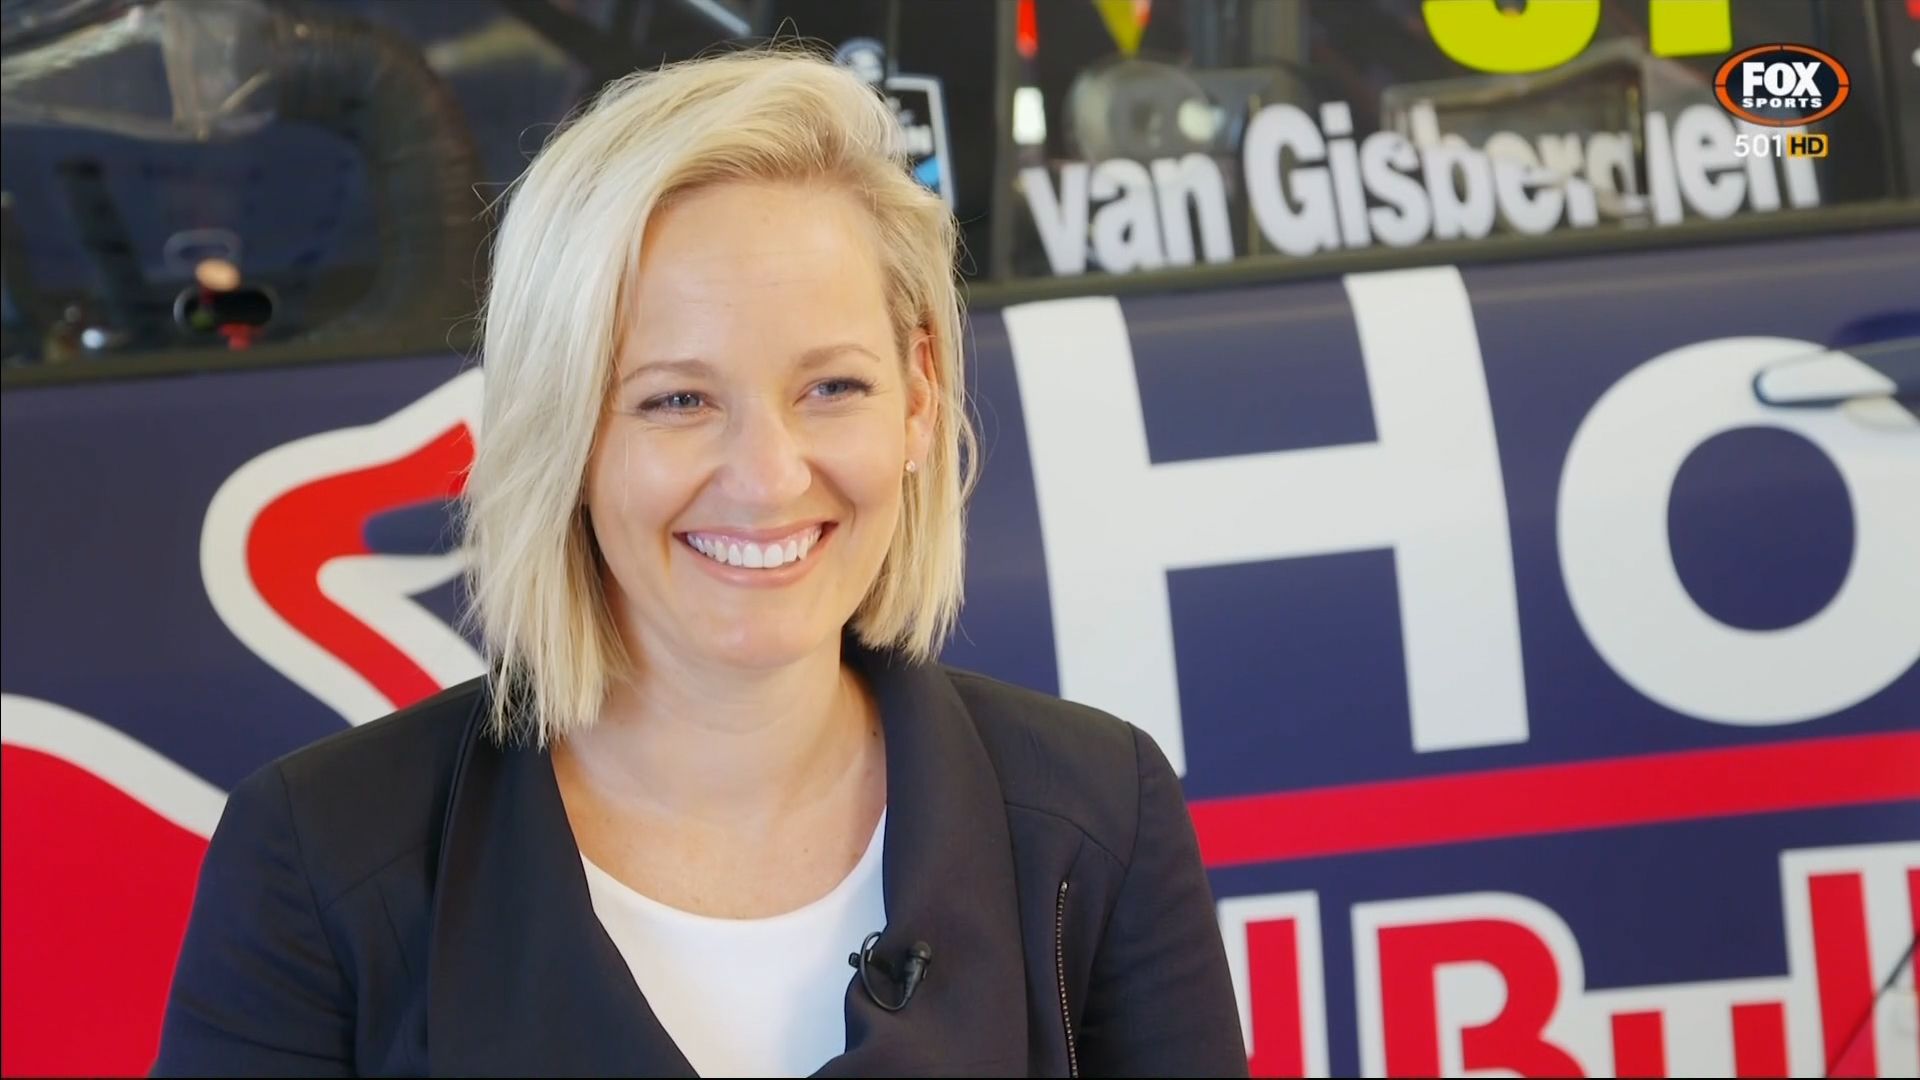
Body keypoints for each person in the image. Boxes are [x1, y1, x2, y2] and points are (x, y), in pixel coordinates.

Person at [154, 47, 1247, 1078]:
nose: (767, 478)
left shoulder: (1097, 821)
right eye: (677, 399)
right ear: (564, 432)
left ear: (919, 398)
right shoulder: (320, 857)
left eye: (833, 388)